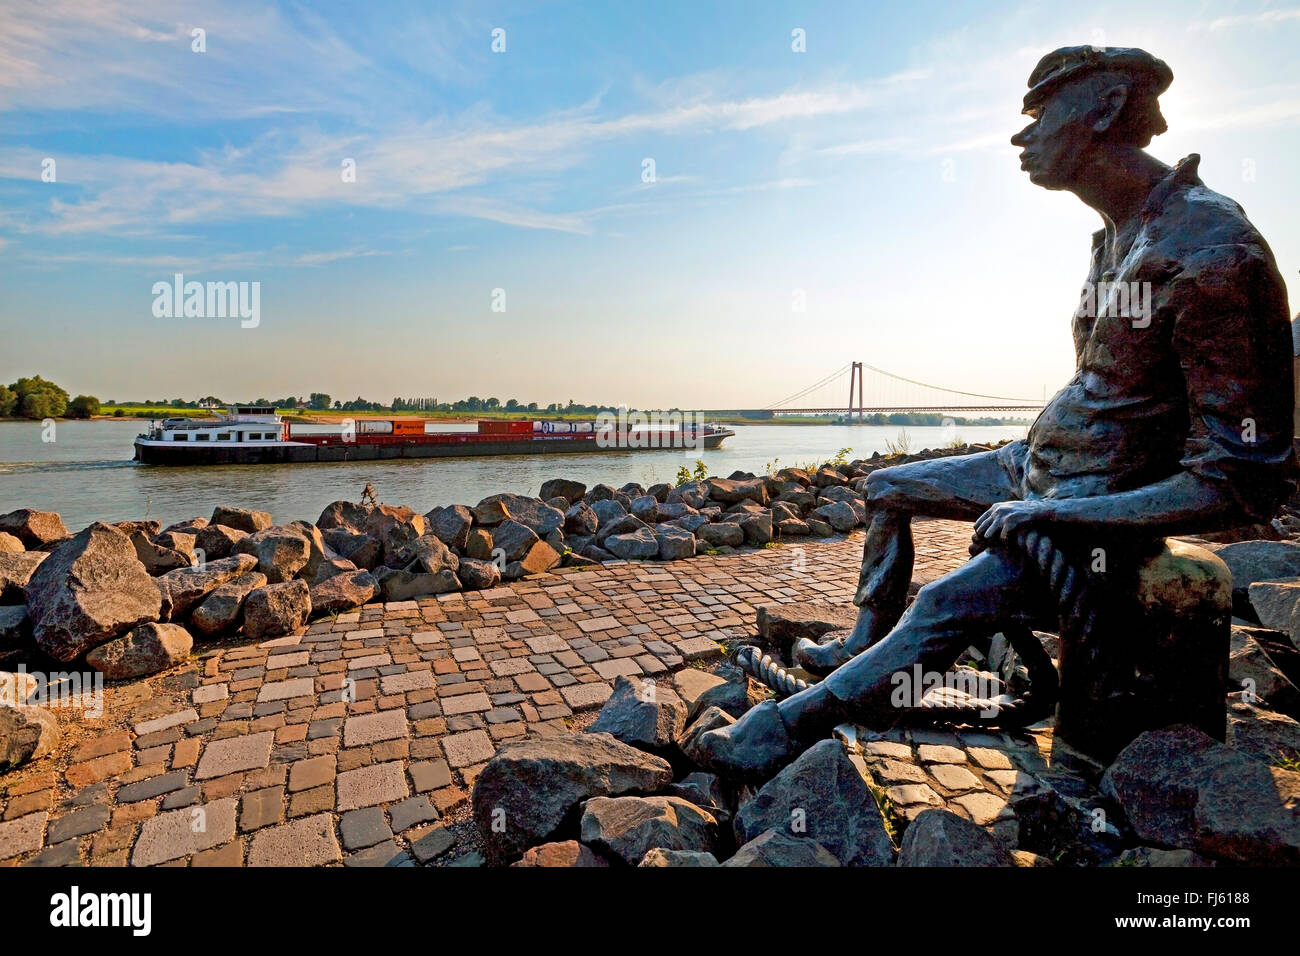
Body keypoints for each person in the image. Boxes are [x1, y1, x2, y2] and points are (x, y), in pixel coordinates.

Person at [696, 47, 1297, 778]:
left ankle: (788, 724)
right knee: (886, 488)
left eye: (1041, 114)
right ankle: (862, 647)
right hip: (1040, 467)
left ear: (1104, 111)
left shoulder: (1212, 250)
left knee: (948, 599)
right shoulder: (1115, 234)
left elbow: (1241, 478)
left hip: (1094, 500)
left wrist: (1058, 518)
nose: (1023, 136)